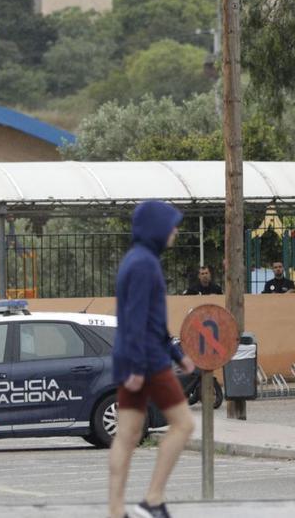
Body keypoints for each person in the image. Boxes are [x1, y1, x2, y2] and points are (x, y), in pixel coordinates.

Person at [108, 200, 196, 518]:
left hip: (137, 358)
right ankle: (153, 499)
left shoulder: (136, 260)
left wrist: (177, 353)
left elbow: (146, 319)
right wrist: (139, 365)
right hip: (148, 361)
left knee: (127, 435)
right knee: (184, 425)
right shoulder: (145, 265)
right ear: (157, 228)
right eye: (171, 224)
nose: (175, 230)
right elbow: (137, 319)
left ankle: (116, 511)